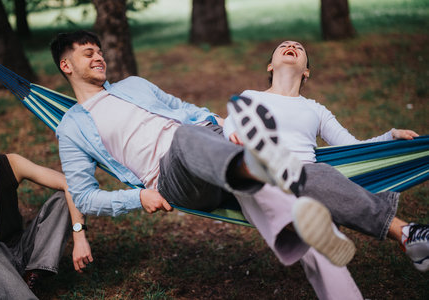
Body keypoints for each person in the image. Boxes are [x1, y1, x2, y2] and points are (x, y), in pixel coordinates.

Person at [50, 30, 364, 300]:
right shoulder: (72, 128)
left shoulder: (134, 84)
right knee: (188, 137)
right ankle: (258, 175)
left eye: (100, 53)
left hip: (212, 144)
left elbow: (181, 107)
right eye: (89, 54)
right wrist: (137, 198)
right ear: (66, 65)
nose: (99, 58)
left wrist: (218, 121)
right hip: (173, 174)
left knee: (302, 217)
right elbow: (83, 197)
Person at [224, 40, 429, 272]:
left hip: (306, 180)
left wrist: (390, 137)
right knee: (322, 187)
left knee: (322, 192)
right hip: (261, 172)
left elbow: (354, 149)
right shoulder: (251, 96)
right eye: (284, 45)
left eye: (299, 48)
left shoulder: (316, 110)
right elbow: (232, 121)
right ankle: (407, 233)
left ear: (306, 72)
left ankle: (408, 237)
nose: (291, 46)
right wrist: (232, 132)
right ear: (270, 66)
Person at [0, 118, 93, 299]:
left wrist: (79, 236)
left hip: (22, 249)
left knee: (64, 199)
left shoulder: (10, 163)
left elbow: (71, 186)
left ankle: (32, 274)